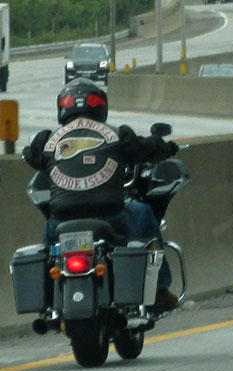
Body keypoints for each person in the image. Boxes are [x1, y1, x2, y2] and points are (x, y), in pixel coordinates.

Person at [23, 78, 180, 310]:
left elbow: (30, 155)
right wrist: (165, 147)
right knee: (144, 213)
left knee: (48, 249)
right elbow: (146, 149)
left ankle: (48, 299)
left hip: (62, 219)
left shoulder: (47, 141)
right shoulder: (117, 134)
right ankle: (159, 289)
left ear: (62, 108)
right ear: (100, 107)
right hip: (111, 214)